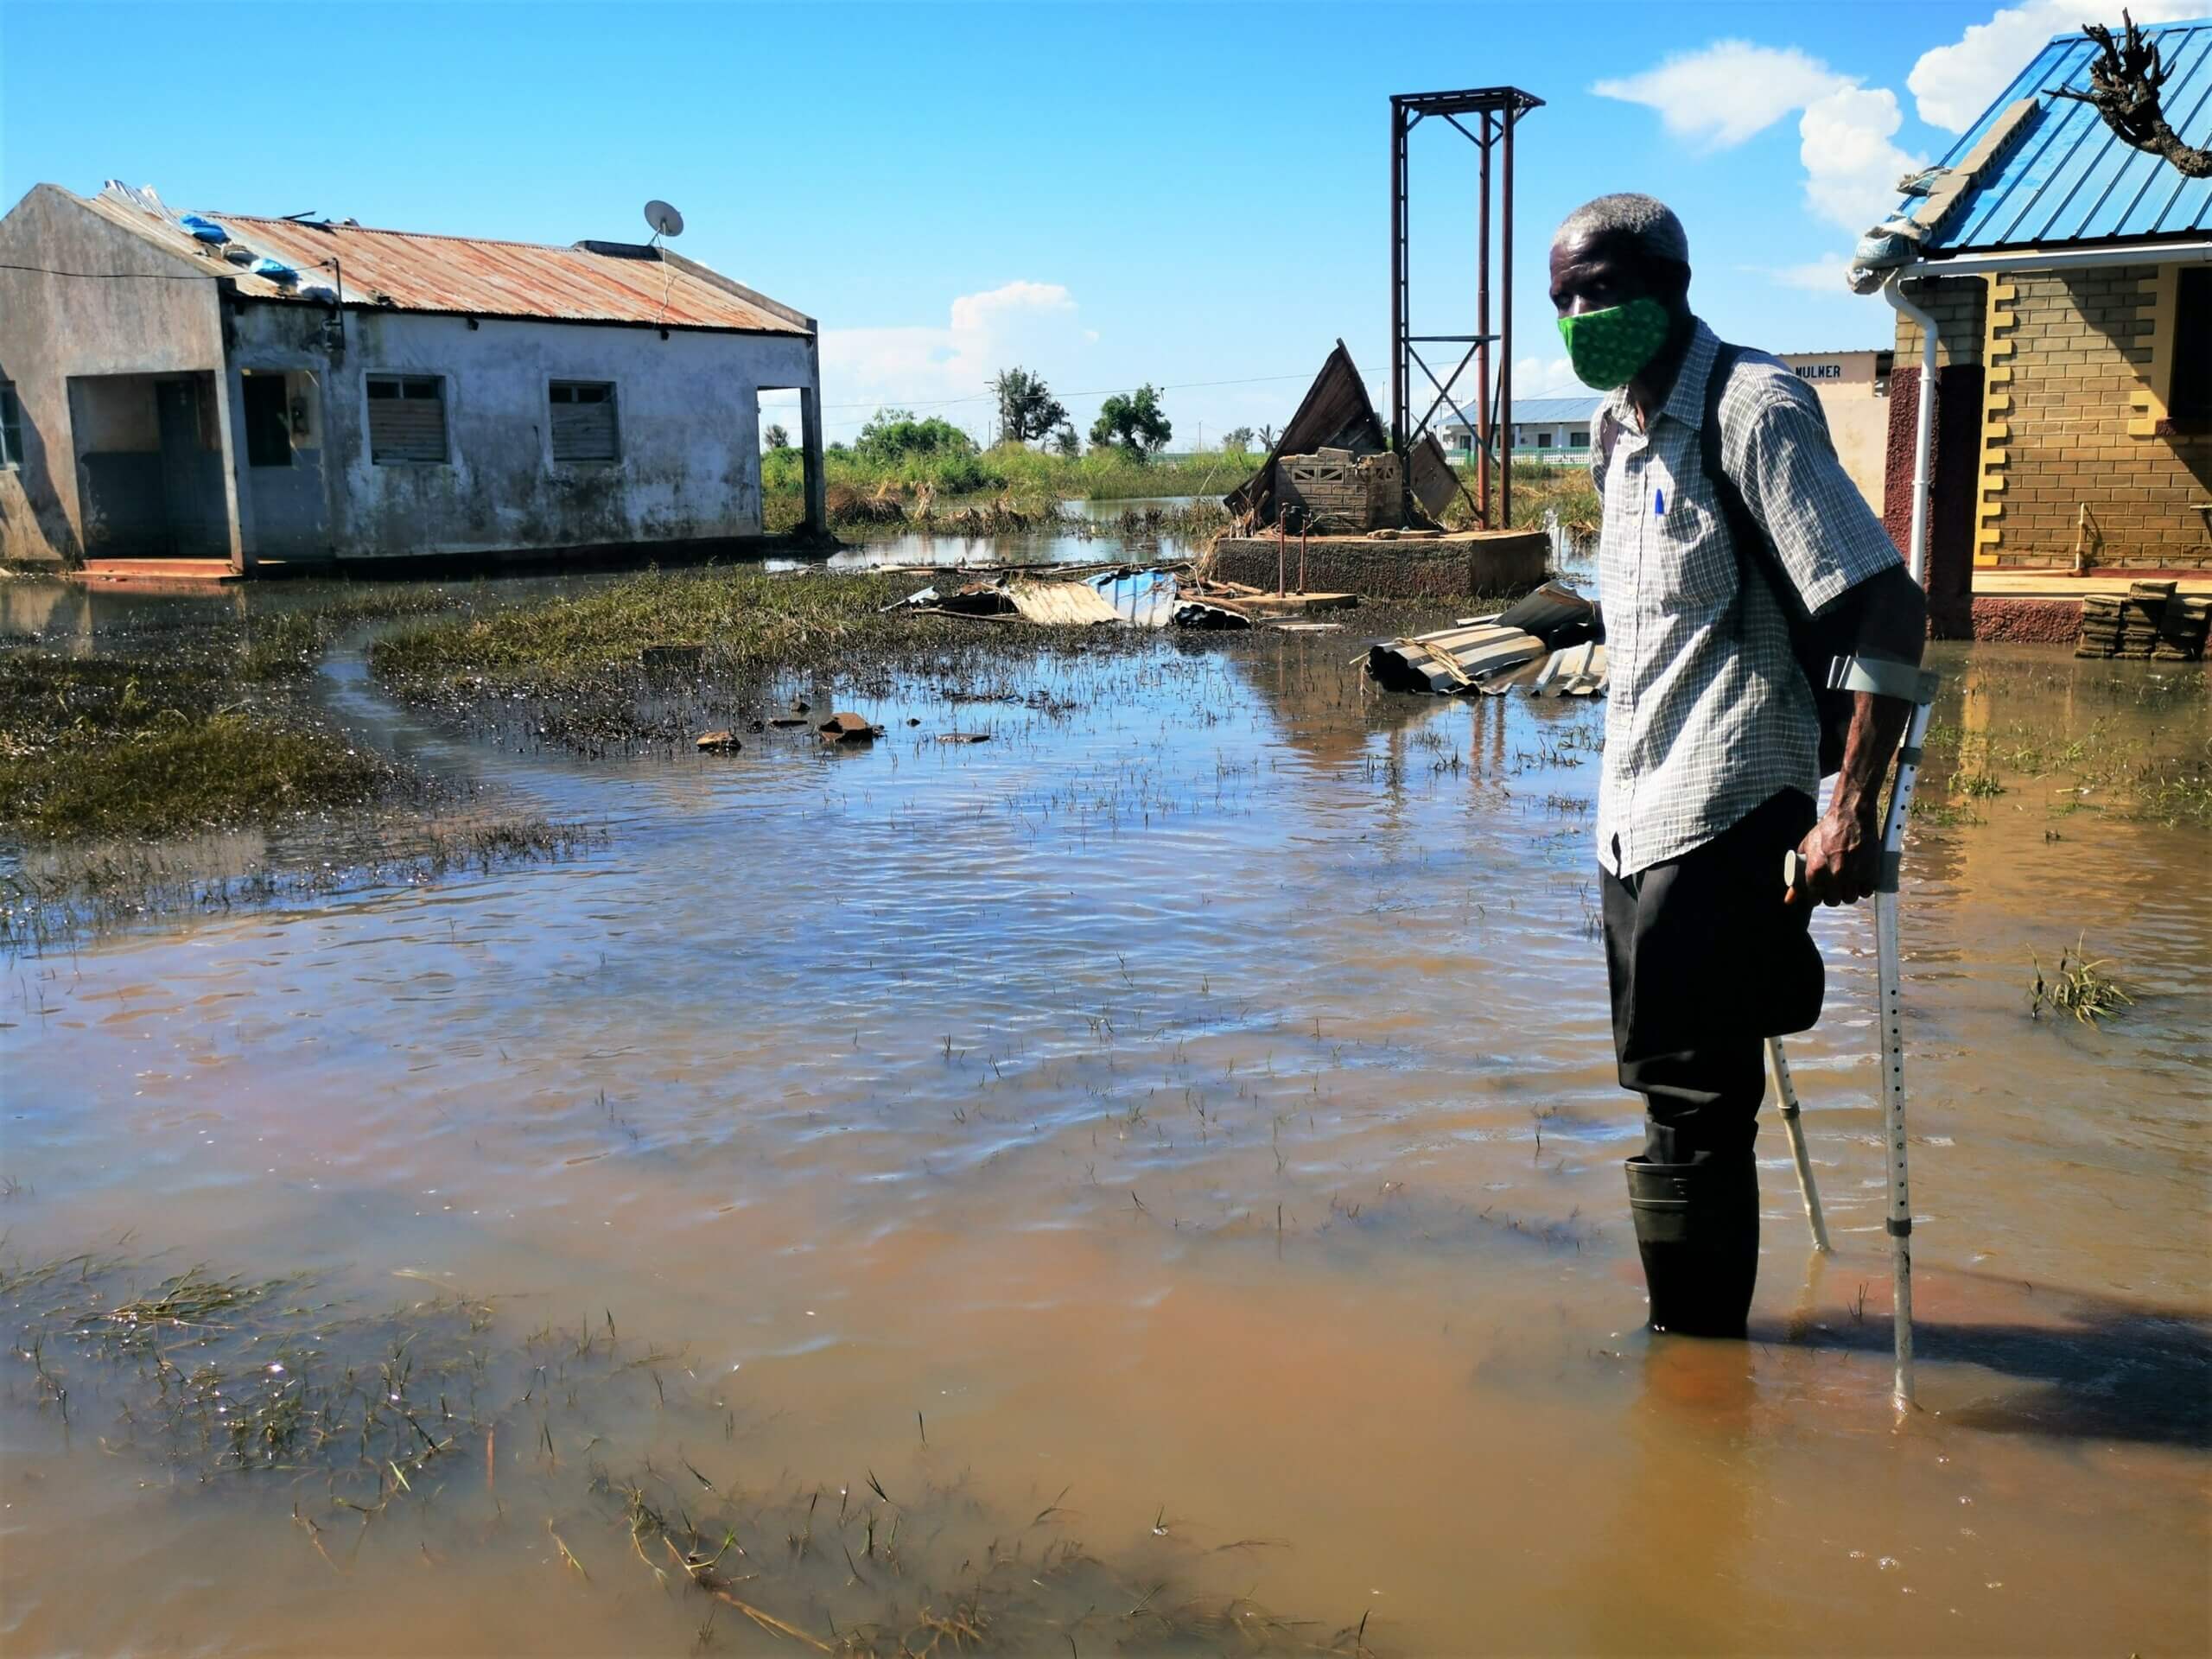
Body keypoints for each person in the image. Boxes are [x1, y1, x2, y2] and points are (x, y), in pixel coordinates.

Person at [1548, 194, 1927, 1338]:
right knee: (1667, 1093)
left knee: (1699, 1107)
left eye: (1601, 290)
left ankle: (1698, 1374)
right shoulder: (1620, 431)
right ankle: (1697, 1355)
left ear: (1671, 282)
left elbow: (1886, 610)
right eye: (1563, 297)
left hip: (1731, 799)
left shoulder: (1752, 410)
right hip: (1635, 809)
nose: (1580, 315)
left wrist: (1847, 809)